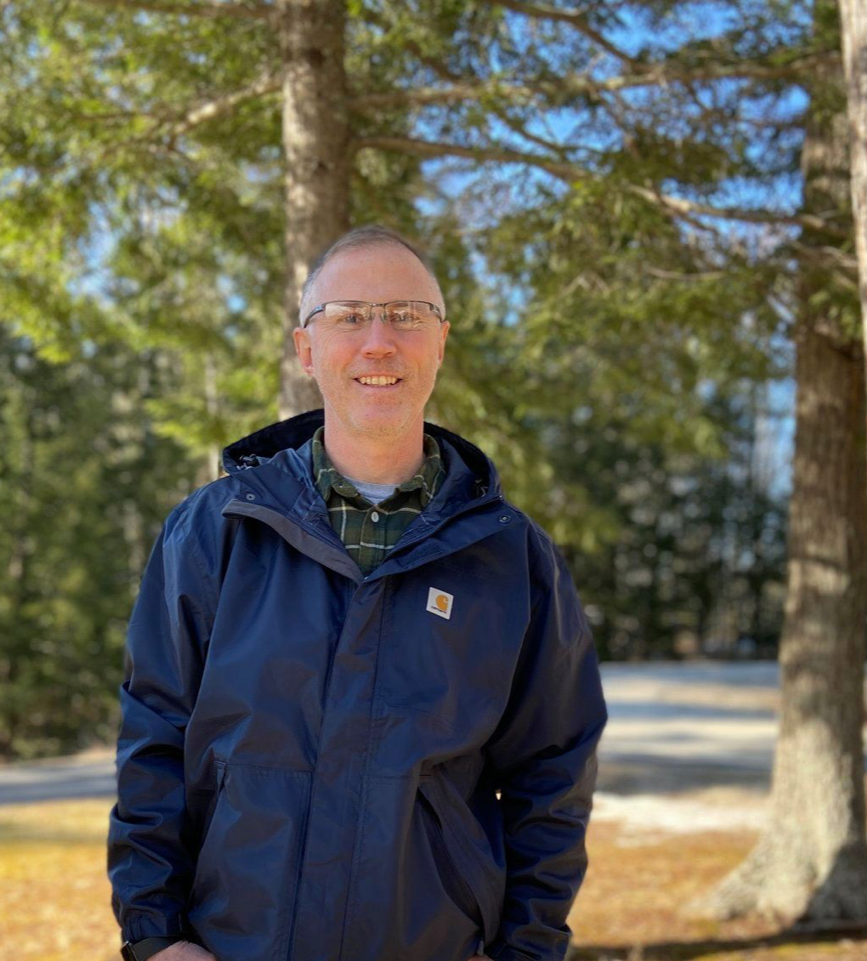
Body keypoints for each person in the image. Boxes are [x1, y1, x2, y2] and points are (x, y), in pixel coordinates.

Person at [108, 225, 607, 961]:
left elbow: (553, 774)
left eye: (406, 315)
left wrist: (526, 950)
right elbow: (153, 737)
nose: (379, 340)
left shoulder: (512, 556)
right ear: (307, 349)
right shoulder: (214, 531)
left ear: (440, 343)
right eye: (348, 315)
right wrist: (155, 937)